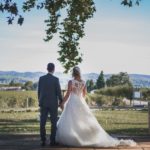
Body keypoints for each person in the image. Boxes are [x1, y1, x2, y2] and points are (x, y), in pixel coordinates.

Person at [56, 66, 136, 147]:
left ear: (73, 73)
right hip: (80, 102)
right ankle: (85, 137)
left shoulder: (71, 82)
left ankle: (73, 137)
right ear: (79, 73)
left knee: (71, 120)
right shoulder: (83, 82)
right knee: (83, 120)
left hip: (73, 101)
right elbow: (84, 94)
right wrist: (80, 99)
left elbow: (68, 94)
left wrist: (62, 102)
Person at [38, 63, 63, 146]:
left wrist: (40, 101)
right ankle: (52, 141)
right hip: (53, 104)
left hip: (43, 103)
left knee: (42, 122)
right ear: (54, 69)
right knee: (53, 122)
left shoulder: (41, 78)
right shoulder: (56, 79)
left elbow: (39, 91)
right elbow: (59, 92)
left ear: (47, 68)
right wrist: (61, 100)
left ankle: (43, 140)